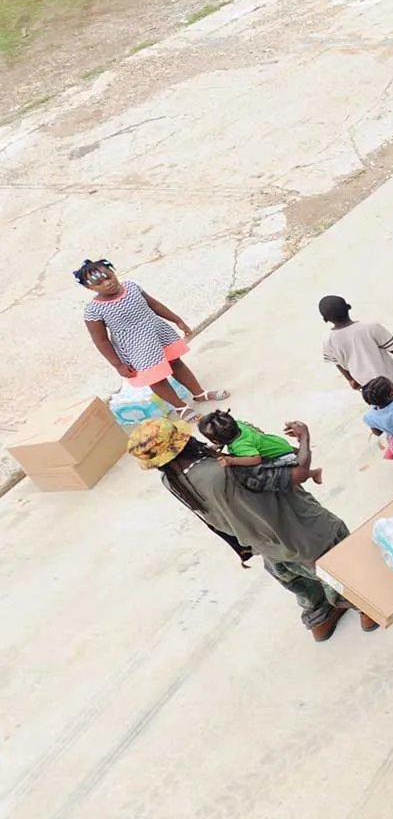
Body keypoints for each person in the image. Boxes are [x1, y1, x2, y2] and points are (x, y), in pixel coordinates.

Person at [129, 417, 361, 640]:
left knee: (302, 583)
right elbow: (296, 473)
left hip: (265, 545)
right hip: (301, 532)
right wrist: (303, 438)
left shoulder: (173, 482)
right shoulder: (226, 470)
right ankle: (367, 609)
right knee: (346, 571)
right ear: (184, 441)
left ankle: (321, 620)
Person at [78, 259, 225, 417]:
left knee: (176, 363)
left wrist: (177, 320)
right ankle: (181, 408)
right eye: (99, 283)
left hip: (157, 334)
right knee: (156, 378)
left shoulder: (131, 287)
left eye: (108, 277)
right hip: (136, 347)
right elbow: (101, 340)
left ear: (113, 272)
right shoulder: (94, 310)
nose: (107, 283)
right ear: (89, 287)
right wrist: (118, 364)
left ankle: (200, 393)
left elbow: (154, 305)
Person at [318, 294, 393, 395]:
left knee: (381, 407)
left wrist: (350, 379)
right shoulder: (370, 327)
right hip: (391, 381)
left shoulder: (328, 340)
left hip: (367, 387)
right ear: (348, 308)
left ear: (325, 319)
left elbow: (337, 363)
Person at [196, 409, 319, 484]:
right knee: (296, 454)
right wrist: (220, 444)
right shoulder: (237, 426)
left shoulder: (240, 446)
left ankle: (313, 473)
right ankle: (305, 454)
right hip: (275, 443)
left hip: (281, 456)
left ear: (215, 440)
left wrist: (232, 460)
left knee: (291, 477)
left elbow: (255, 459)